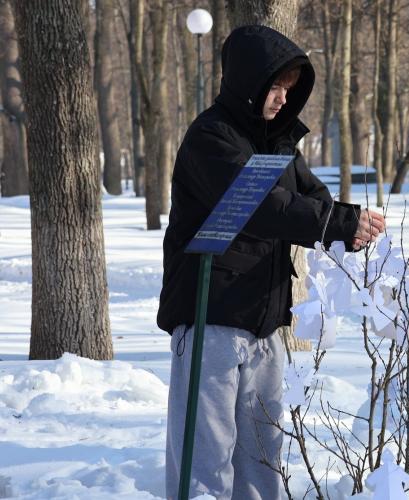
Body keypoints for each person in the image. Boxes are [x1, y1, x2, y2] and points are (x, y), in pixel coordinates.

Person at [157, 25, 385, 500]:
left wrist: (349, 223)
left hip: (263, 324)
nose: (283, 98)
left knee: (263, 460)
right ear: (248, 82)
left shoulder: (278, 145)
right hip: (210, 320)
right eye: (276, 86)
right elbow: (260, 206)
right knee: (206, 461)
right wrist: (335, 223)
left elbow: (312, 198)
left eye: (290, 88)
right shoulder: (211, 138)